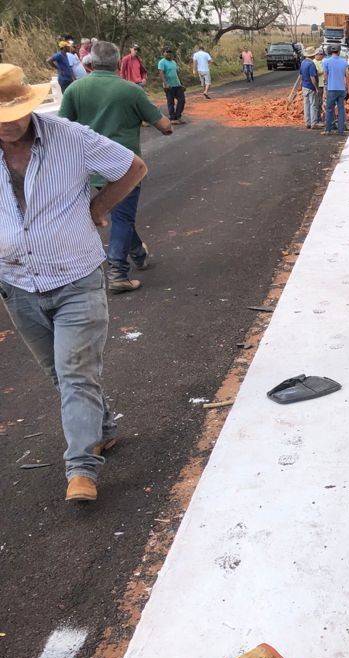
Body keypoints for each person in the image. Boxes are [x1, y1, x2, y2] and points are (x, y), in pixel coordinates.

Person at [0, 62, 147, 503]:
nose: (8, 124)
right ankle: (102, 428)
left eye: (15, 113)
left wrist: (99, 207)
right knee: (60, 375)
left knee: (75, 374)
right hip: (17, 283)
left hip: (76, 277)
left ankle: (81, 467)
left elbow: (133, 166)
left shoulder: (69, 137)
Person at [60, 41, 173, 293]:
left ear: (90, 61)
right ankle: (118, 272)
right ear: (117, 62)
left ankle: (138, 255)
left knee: (120, 214)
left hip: (89, 169)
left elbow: (61, 128)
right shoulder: (130, 91)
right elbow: (165, 126)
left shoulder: (75, 90)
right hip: (124, 168)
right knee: (122, 217)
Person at [322, 45, 349, 136]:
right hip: (341, 89)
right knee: (341, 110)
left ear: (331, 51)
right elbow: (347, 76)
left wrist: (325, 86)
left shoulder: (326, 62)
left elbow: (325, 75)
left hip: (331, 88)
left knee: (329, 109)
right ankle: (341, 131)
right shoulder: (344, 62)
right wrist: (347, 88)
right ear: (339, 51)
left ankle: (328, 129)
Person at [157, 48, 185, 123]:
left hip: (177, 84)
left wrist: (182, 84)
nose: (169, 54)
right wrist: (166, 84)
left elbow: (177, 73)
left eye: (170, 52)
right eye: (167, 52)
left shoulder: (173, 62)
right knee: (171, 101)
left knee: (182, 100)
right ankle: (172, 118)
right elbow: (161, 73)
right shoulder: (162, 62)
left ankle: (178, 116)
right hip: (169, 85)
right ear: (163, 53)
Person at [299, 48, 319, 129]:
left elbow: (301, 75)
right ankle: (313, 123)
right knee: (313, 105)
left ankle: (307, 122)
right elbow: (312, 77)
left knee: (306, 105)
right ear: (313, 55)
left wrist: (301, 85)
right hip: (311, 87)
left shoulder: (303, 63)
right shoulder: (311, 64)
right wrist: (316, 87)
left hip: (304, 86)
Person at [313, 49, 326, 123]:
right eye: (320, 54)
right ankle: (317, 118)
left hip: (322, 84)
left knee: (320, 101)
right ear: (316, 55)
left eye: (322, 54)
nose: (322, 56)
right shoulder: (314, 63)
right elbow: (316, 73)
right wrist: (324, 71)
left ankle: (319, 117)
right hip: (318, 84)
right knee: (318, 101)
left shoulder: (321, 62)